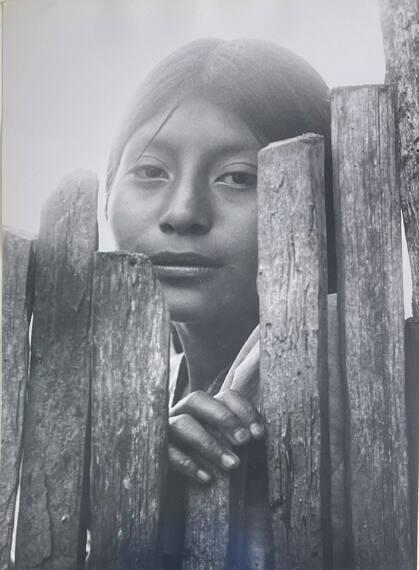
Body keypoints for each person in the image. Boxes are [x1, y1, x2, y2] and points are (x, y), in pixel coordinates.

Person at [105, 38, 337, 569]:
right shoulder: (123, 408)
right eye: (150, 172)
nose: (183, 212)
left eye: (237, 177)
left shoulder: (391, 387)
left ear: (324, 200)